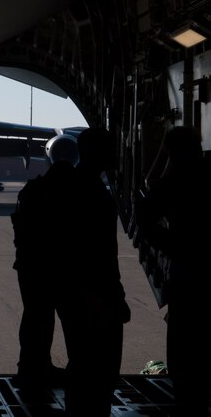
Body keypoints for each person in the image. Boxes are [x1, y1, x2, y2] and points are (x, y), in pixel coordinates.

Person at [136, 126, 211, 416]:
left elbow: (144, 219)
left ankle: (187, 402)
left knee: (184, 343)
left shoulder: (175, 181)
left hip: (189, 270)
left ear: (171, 152)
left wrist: (172, 244)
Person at [56, 127, 131, 417]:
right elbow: (95, 255)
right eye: (111, 149)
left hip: (79, 294)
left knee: (83, 367)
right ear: (97, 153)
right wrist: (108, 299)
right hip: (93, 297)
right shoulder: (90, 192)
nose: (117, 154)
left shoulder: (79, 187)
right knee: (98, 371)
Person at [11, 159, 74, 386]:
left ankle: (32, 366)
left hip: (29, 265)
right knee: (43, 318)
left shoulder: (30, 192)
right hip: (46, 266)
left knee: (35, 317)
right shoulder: (53, 195)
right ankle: (35, 368)